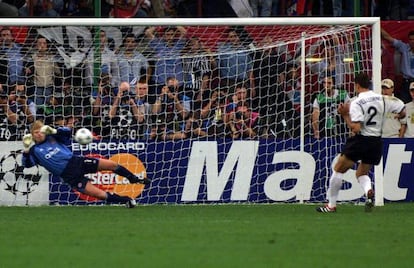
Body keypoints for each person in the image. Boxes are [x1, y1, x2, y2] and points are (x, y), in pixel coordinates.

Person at [316, 72, 406, 213]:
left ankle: (331, 205)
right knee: (361, 173)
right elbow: (402, 110)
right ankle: (368, 191)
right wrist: (399, 115)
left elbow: (356, 128)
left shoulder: (356, 102)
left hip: (361, 139)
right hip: (376, 142)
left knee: (338, 169)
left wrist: (345, 115)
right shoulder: (383, 99)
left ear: (356, 85)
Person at [21, 120, 150, 208]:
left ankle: (132, 178)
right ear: (32, 135)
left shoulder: (52, 137)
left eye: (41, 131)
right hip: (69, 176)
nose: (39, 134)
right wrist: (26, 149)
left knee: (111, 164)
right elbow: (27, 164)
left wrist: (54, 131)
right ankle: (126, 200)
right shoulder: (34, 151)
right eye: (36, 132)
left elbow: (67, 133)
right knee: (99, 194)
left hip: (77, 162)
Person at [381, 28, 414, 103]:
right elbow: (387, 37)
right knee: (403, 104)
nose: (412, 41)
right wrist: (375, 23)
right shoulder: (404, 47)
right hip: (406, 83)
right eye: (411, 39)